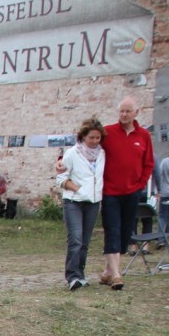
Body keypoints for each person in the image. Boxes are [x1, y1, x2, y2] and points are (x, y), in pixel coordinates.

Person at [99, 97, 155, 290]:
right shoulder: (108, 132)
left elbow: (148, 163)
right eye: (121, 111)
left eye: (127, 111)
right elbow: (89, 149)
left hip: (132, 192)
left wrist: (140, 184)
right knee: (112, 230)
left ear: (136, 113)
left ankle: (107, 271)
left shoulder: (144, 136)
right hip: (110, 192)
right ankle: (116, 275)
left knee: (125, 233)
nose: (123, 115)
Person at [57, 118, 105, 291]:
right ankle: (72, 276)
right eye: (91, 137)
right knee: (75, 239)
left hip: (92, 202)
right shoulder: (72, 153)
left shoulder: (102, 155)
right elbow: (60, 178)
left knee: (85, 240)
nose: (94, 141)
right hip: (74, 201)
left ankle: (80, 273)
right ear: (83, 137)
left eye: (97, 138)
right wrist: (77, 189)